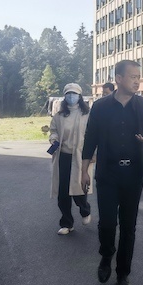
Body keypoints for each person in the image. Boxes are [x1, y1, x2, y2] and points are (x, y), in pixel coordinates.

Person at [81, 60, 143, 285]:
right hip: (108, 173)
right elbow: (90, 138)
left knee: (128, 226)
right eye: (132, 76)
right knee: (107, 222)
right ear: (119, 78)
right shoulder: (101, 107)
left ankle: (123, 274)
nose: (137, 81)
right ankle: (106, 255)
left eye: (139, 77)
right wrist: (84, 170)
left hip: (134, 174)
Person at [48, 83, 93, 235]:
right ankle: (67, 223)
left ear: (80, 96)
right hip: (63, 156)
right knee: (63, 192)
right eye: (68, 94)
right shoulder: (59, 116)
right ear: (64, 96)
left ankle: (85, 209)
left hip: (81, 157)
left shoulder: (87, 115)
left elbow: (93, 136)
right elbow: (53, 130)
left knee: (79, 188)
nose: (71, 97)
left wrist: (93, 154)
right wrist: (54, 139)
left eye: (74, 94)